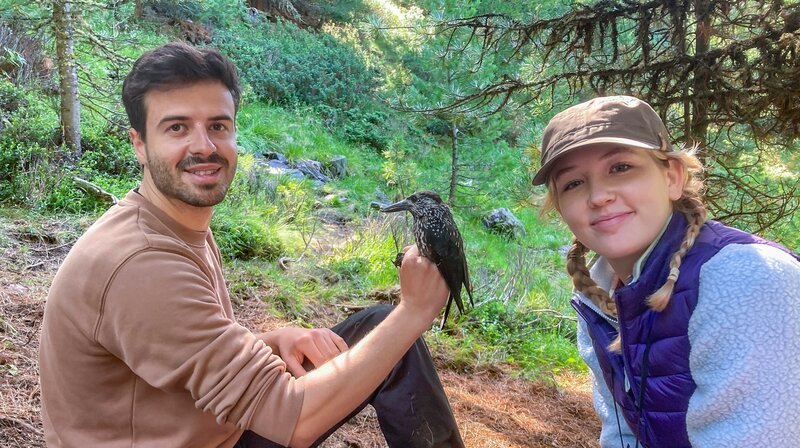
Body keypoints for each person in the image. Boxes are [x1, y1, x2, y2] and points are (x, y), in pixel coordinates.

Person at [38, 42, 464, 448]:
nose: (204, 146)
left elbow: (186, 351)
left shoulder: (173, 224)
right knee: (396, 331)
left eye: (218, 126)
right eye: (176, 127)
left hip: (211, 430)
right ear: (140, 144)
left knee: (379, 328)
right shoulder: (140, 263)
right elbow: (295, 419)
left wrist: (272, 340)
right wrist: (416, 311)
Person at [531, 95, 800, 447]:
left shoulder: (746, 279)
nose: (598, 196)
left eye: (620, 167)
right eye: (573, 183)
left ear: (673, 176)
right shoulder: (598, 297)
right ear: (561, 208)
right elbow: (622, 433)